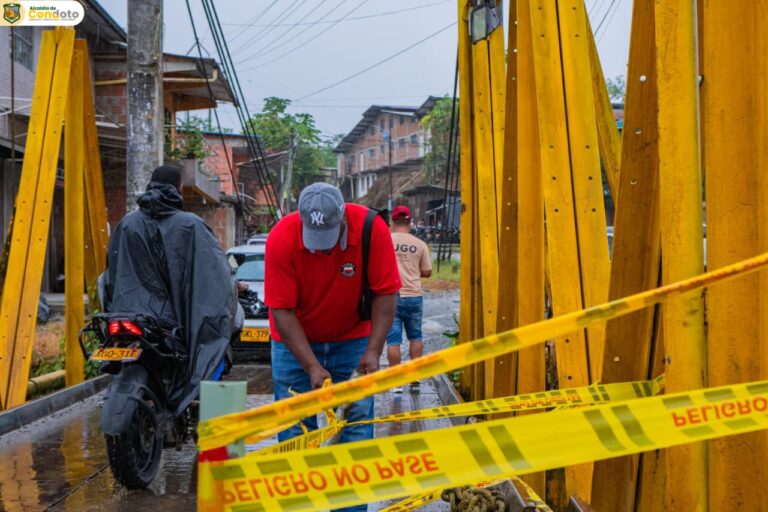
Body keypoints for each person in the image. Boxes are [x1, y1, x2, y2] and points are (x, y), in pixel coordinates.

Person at [265, 183, 400, 509]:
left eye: (327, 240)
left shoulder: (371, 229)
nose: (321, 250)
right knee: (296, 434)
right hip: (293, 345)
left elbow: (387, 292)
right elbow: (281, 310)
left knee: (353, 432)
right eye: (314, 240)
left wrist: (373, 350)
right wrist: (311, 365)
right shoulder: (282, 238)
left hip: (352, 341)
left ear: (342, 218)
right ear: (302, 222)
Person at [104, 165, 236, 412]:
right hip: (170, 326)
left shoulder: (126, 224)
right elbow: (215, 275)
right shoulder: (191, 225)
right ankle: (218, 438)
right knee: (217, 352)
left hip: (130, 317)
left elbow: (111, 273)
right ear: (180, 189)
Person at [386, 206, 431, 392]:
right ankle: (414, 379)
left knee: (393, 340)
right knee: (416, 336)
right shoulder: (420, 244)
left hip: (391, 296)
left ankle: (396, 383)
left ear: (392, 221)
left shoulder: (385, 241)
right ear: (410, 222)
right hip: (413, 295)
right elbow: (427, 272)